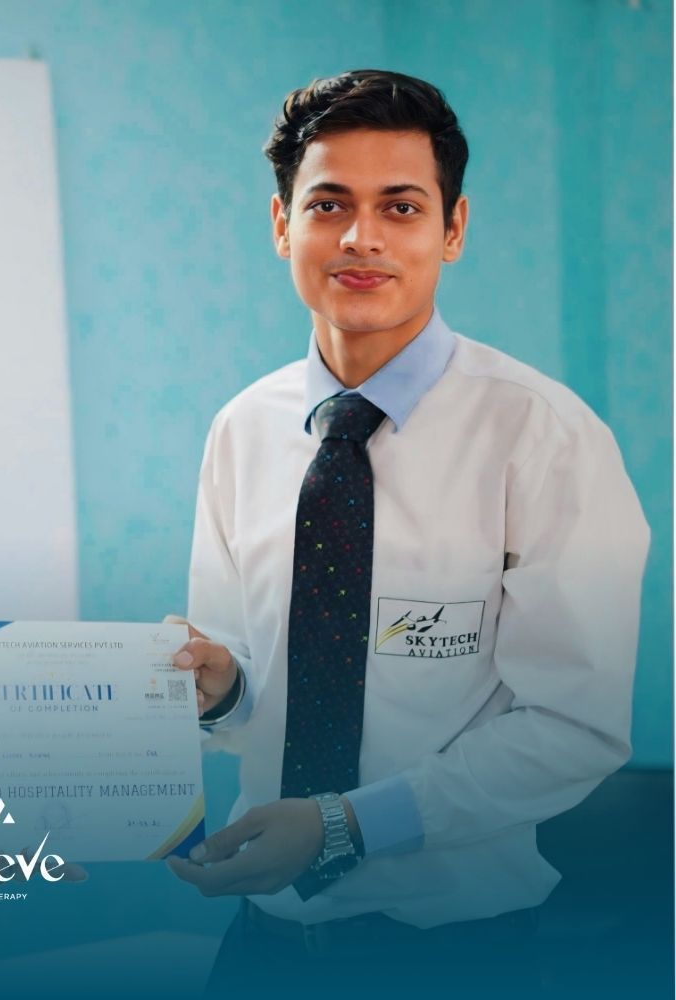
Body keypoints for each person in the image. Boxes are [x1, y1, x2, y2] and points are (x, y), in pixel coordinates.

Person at [163, 70, 649, 995]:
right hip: (261, 946)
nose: (360, 237)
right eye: (329, 203)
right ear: (281, 226)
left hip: (459, 956)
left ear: (452, 229)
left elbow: (575, 728)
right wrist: (220, 691)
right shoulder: (241, 428)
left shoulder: (544, 437)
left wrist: (346, 823)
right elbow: (242, 706)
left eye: (401, 206)